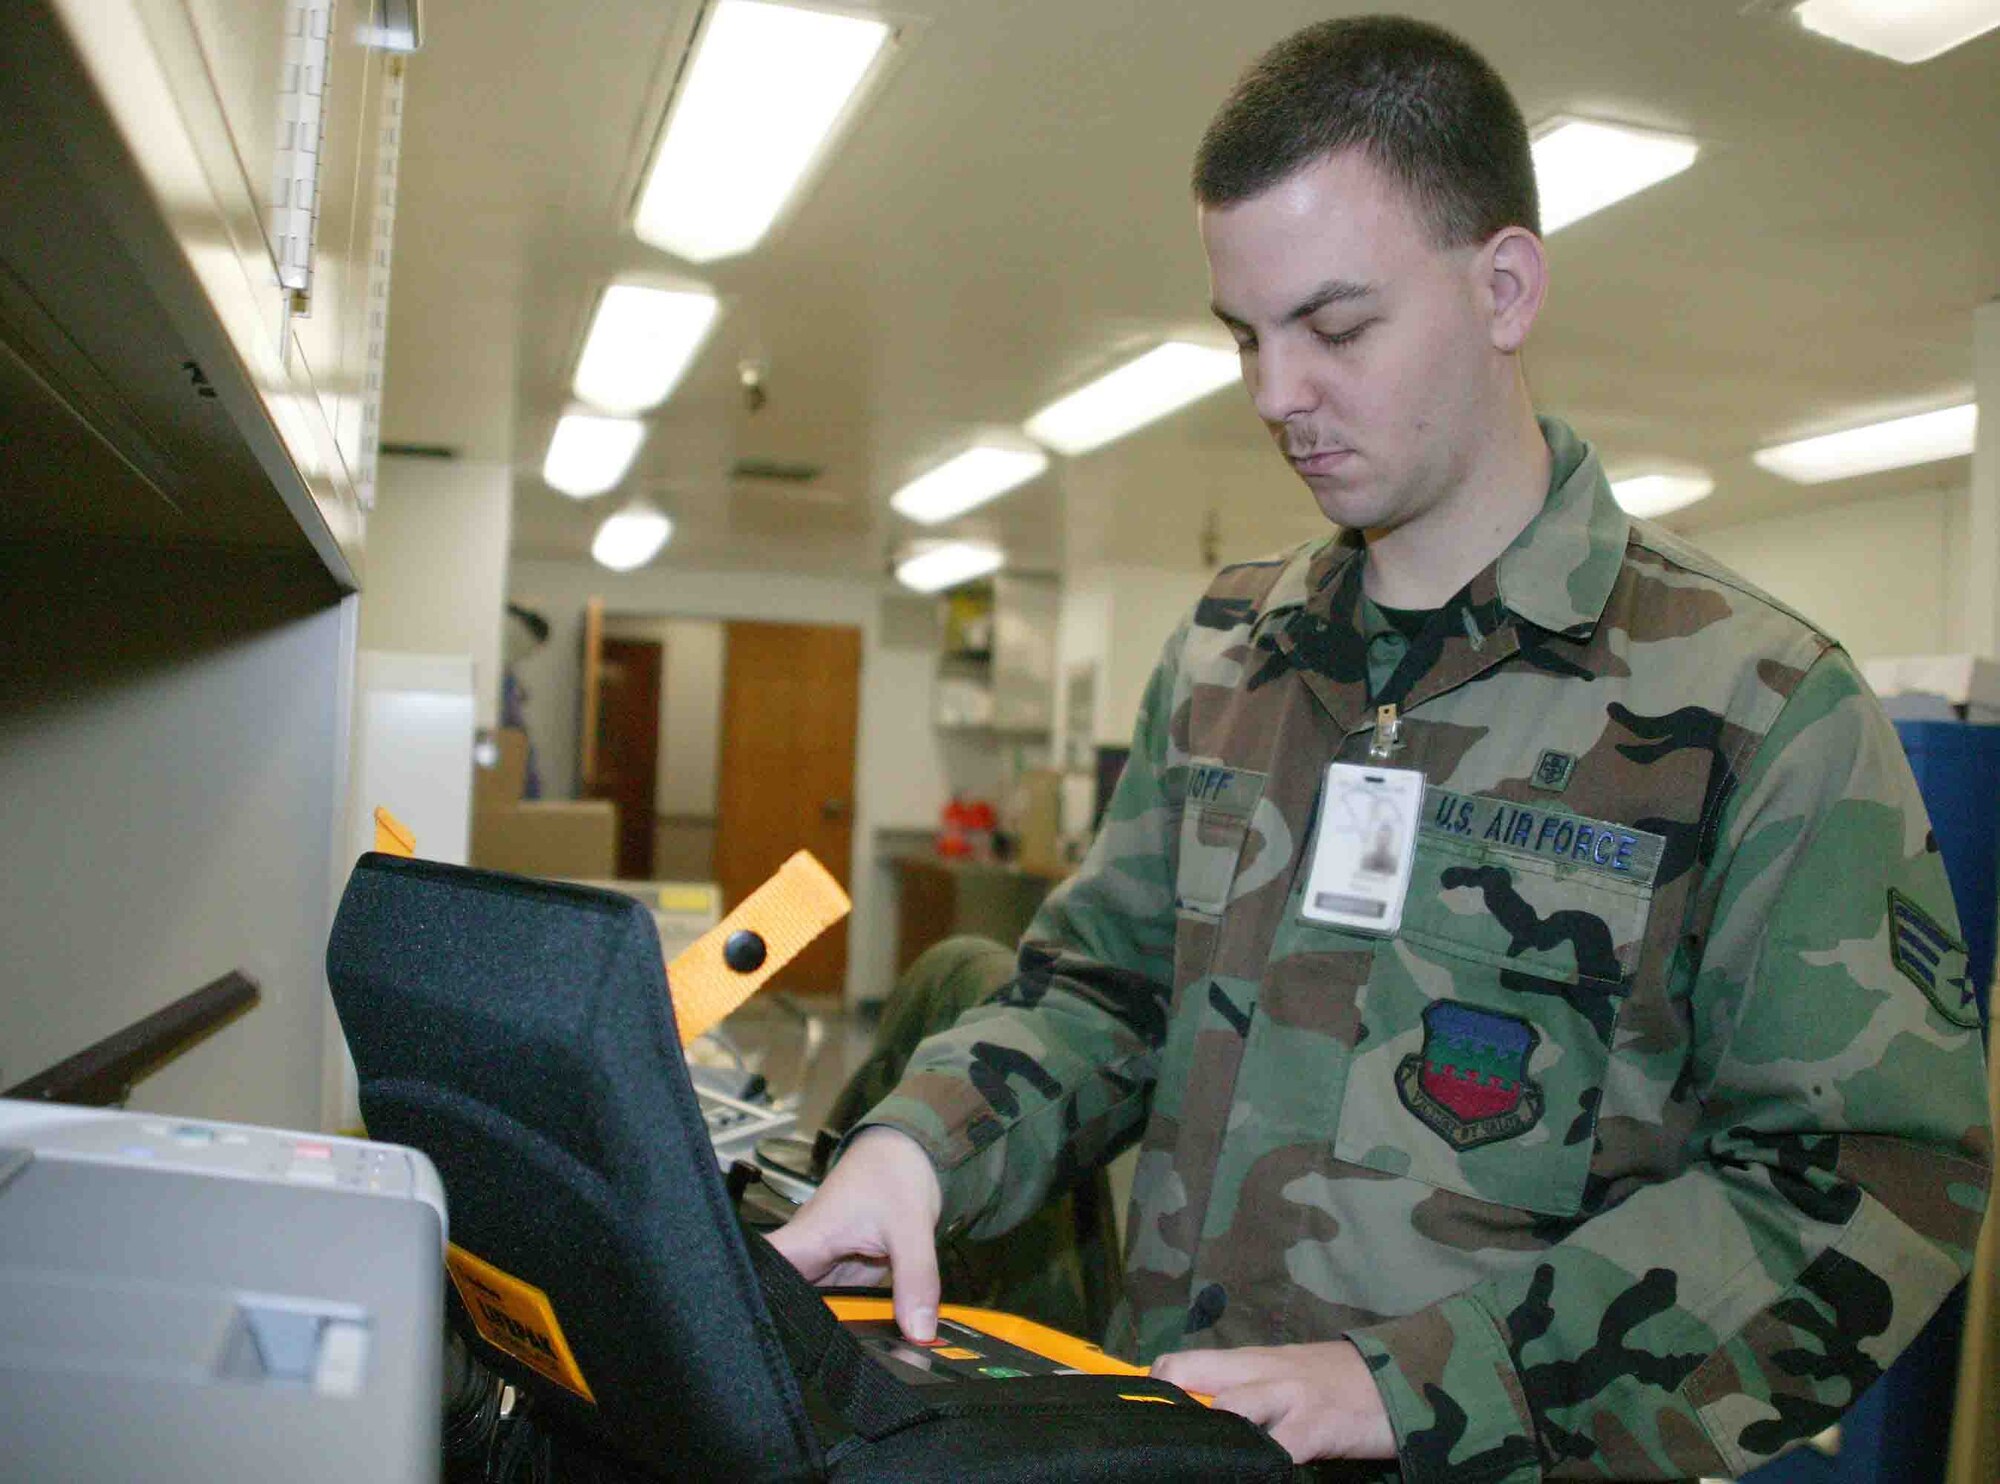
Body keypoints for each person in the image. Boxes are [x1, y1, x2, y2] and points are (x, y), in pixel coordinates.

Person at [772, 15, 1993, 1478]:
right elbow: (1102, 989)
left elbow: (1865, 1181)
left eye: (1337, 327)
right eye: (1247, 335)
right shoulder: (1232, 657)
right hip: (1179, 1439)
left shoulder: (1757, 706)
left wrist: (1413, 1389)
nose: (1277, 393)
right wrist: (921, 1141)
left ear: (1504, 287)